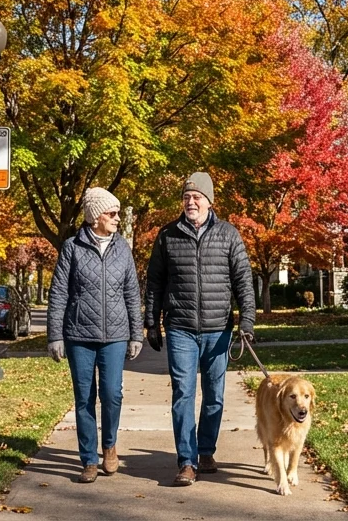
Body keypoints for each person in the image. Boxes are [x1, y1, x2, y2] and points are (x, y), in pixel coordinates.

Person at [144, 171, 257, 486]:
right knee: (183, 393)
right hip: (180, 327)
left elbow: (243, 282)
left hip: (218, 329)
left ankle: (206, 450)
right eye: (186, 197)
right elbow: (154, 282)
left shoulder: (229, 235)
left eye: (197, 197)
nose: (191, 202)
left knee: (215, 397)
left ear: (209, 201)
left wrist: (247, 321)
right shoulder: (167, 235)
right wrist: (151, 321)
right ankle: (187, 462)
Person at [47, 187, 143, 484]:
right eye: (111, 213)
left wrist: (136, 334)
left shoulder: (122, 248)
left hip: (115, 335)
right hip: (79, 335)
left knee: (112, 394)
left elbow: (131, 292)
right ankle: (88, 459)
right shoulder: (72, 247)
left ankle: (110, 446)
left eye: (117, 213)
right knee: (84, 399)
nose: (116, 218)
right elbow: (59, 293)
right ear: (95, 217)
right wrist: (55, 335)